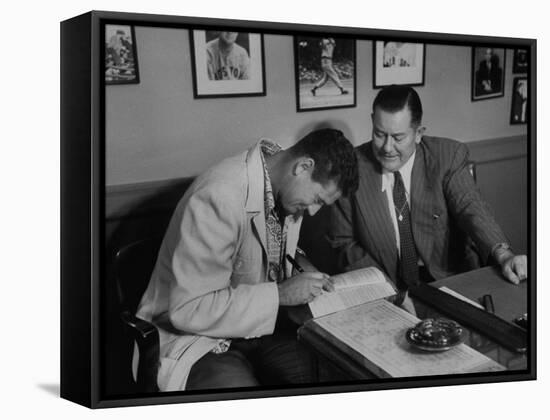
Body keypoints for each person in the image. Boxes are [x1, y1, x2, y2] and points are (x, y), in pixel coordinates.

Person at [134, 128, 359, 391]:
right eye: (317, 199)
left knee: (333, 376)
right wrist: (281, 295)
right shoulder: (219, 195)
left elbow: (264, 247)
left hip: (254, 331)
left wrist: (300, 265)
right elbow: (189, 309)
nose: (312, 211)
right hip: (194, 338)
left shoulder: (283, 187)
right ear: (303, 167)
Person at [329, 85, 527, 298]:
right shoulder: (352, 167)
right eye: (379, 134)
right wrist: (381, 285)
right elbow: (343, 242)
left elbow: (471, 208)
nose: (387, 147)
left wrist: (503, 254)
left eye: (398, 138)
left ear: (418, 134)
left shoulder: (447, 157)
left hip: (449, 282)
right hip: (385, 288)